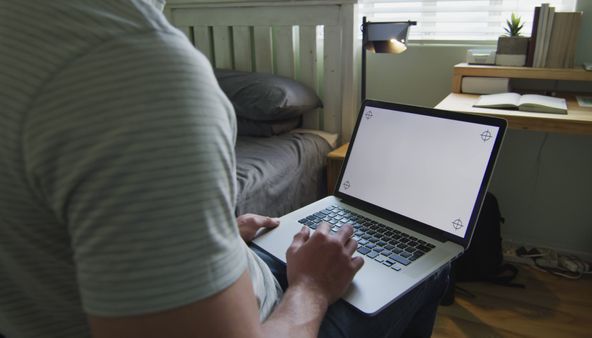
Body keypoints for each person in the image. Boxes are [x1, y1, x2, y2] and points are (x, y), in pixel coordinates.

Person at [0, 1, 449, 337]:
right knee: (434, 268)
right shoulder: (141, 70)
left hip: (244, 271)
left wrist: (211, 236)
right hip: (275, 312)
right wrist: (311, 287)